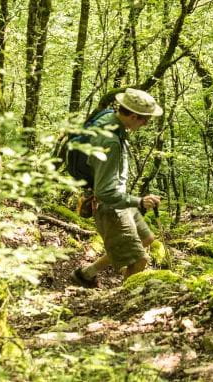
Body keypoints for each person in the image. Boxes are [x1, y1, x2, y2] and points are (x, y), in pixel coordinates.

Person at [71, 88, 163, 288]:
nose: (146, 123)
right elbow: (104, 192)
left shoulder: (109, 120)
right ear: (132, 115)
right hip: (110, 207)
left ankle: (86, 274)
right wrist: (139, 201)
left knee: (146, 238)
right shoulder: (110, 140)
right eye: (144, 119)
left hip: (120, 199)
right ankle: (124, 307)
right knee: (140, 260)